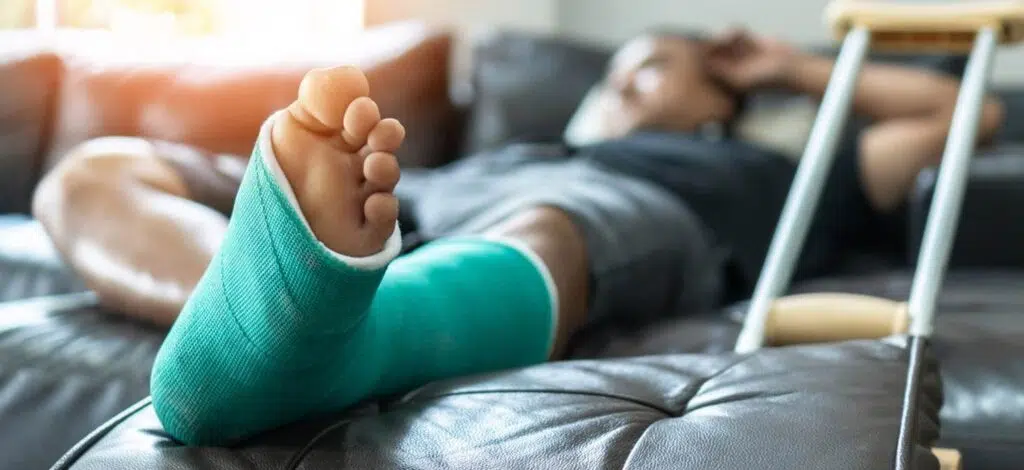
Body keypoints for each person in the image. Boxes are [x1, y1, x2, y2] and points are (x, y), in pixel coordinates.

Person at [32, 28, 1004, 445]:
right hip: (429, 202)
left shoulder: (777, 168)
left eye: (648, 72)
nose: (617, 88)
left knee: (549, 224)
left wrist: (789, 70)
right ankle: (265, 299)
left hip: (604, 212)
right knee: (97, 167)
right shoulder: (519, 143)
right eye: (611, 76)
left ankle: (314, 318)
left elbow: (965, 116)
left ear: (717, 98)